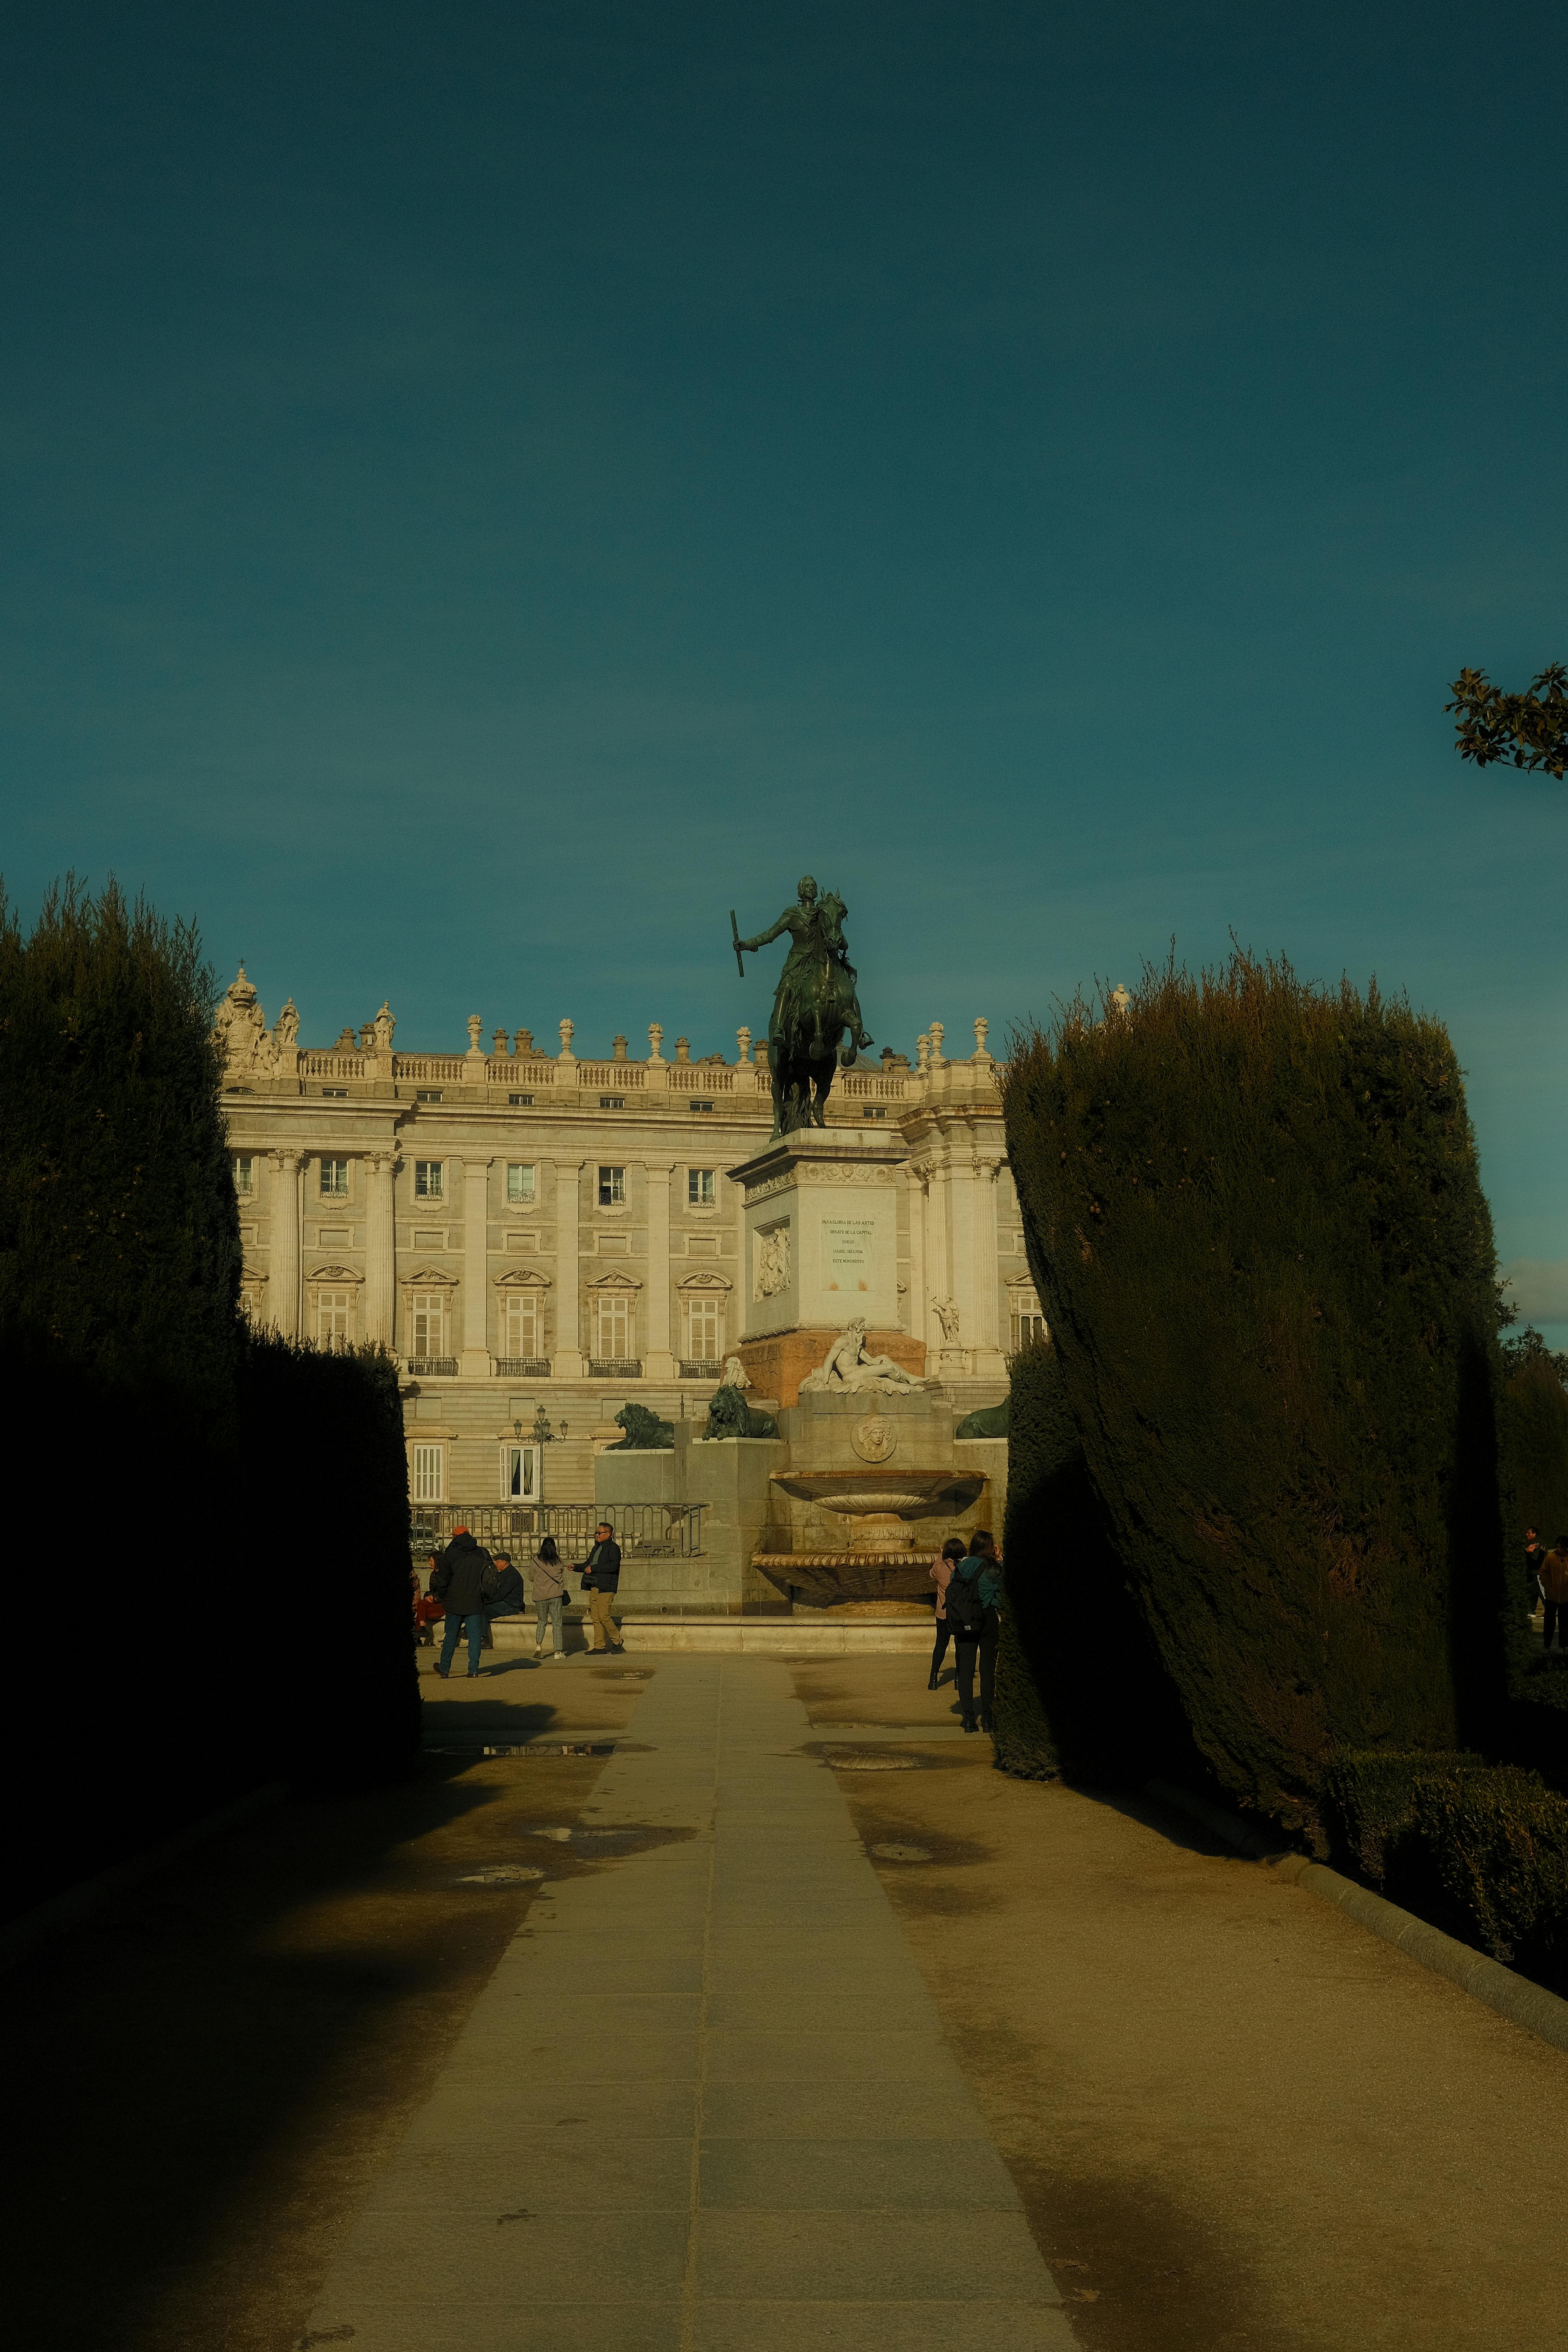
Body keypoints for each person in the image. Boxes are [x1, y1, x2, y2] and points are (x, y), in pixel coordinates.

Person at [948, 1530, 1002, 1734]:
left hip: (964, 1620)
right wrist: (999, 1559)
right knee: (988, 1671)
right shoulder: (994, 1569)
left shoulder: (959, 1568)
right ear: (990, 1547)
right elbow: (1002, 1592)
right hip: (987, 1619)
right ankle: (988, 1720)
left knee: (966, 1671)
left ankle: (969, 1720)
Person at [431, 1527, 500, 1678]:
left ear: (456, 1537)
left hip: (454, 1601)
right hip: (476, 1600)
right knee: (475, 1637)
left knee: (451, 1635)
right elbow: (490, 1577)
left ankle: (444, 1668)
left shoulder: (450, 1554)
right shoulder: (482, 1552)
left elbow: (442, 1580)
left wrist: (441, 1596)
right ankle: (474, 1670)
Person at [578, 1522, 625, 1655]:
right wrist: (575, 1567)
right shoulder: (596, 1548)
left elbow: (613, 1566)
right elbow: (588, 1564)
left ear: (608, 1534)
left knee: (604, 1616)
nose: (597, 1535)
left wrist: (594, 1568)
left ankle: (618, 1641)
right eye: (596, 1533)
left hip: (607, 1587)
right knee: (596, 1617)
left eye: (600, 1533)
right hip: (594, 1586)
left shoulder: (613, 1548)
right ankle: (599, 1646)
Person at [928, 1537, 966, 1690]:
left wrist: (941, 1555)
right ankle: (958, 1679)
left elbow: (931, 1573)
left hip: (943, 1614)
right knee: (960, 1646)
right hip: (960, 1614)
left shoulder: (940, 1568)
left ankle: (934, 1678)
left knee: (940, 1646)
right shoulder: (965, 1568)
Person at [531, 1537, 568, 1660]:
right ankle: (558, 1652)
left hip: (540, 1596)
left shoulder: (536, 1560)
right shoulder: (559, 1561)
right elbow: (561, 1573)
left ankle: (538, 1645)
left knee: (542, 1621)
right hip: (556, 1595)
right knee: (557, 1623)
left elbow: (531, 1577)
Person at [484, 1553, 528, 1643]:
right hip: (506, 1603)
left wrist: (487, 1602)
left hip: (512, 1606)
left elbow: (501, 1594)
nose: (495, 1564)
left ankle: (484, 1638)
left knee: (483, 1610)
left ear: (504, 1563)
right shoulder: (505, 1573)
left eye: (497, 1562)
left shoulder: (512, 1575)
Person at [1541, 1536, 1568, 1653]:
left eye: (1561, 1547)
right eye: (1557, 1547)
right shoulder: (1551, 1557)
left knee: (1564, 1622)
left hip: (1566, 1597)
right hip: (1552, 1596)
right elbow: (1543, 1573)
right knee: (1549, 1622)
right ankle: (1547, 1645)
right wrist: (1548, 1587)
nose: (1559, 1549)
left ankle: (1563, 1646)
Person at [1525, 1527, 1549, 1618]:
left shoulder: (1537, 1545)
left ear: (1534, 1534)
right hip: (1534, 1573)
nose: (1527, 1535)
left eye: (1529, 1533)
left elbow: (1536, 1559)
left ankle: (1549, 1610)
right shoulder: (1534, 1544)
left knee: (1542, 1592)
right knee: (1533, 1592)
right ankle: (1531, 1610)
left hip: (1538, 1573)